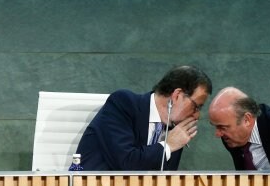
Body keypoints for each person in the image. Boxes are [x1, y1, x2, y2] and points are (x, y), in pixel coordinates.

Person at [76, 65, 212, 170]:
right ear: (177, 96)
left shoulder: (174, 129)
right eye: (196, 106)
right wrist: (167, 146)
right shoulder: (123, 103)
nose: (197, 115)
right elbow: (125, 164)